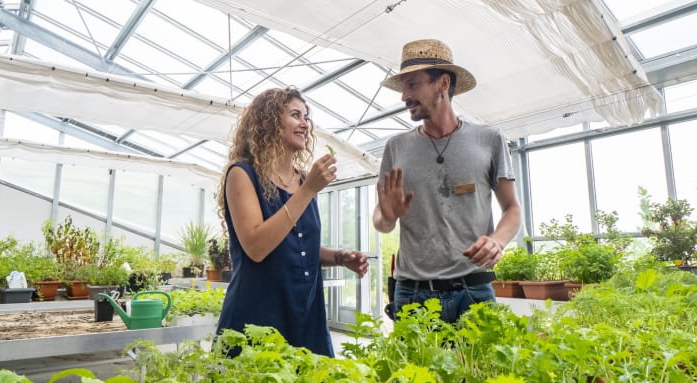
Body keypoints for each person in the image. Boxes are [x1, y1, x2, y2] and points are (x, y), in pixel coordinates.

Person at [373, 39, 522, 323]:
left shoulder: (489, 139)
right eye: (404, 86)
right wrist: (387, 217)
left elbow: (512, 208)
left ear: (442, 83)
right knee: (416, 369)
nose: (404, 96)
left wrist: (498, 241)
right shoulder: (396, 147)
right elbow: (380, 220)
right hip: (412, 293)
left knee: (480, 368)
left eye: (413, 84)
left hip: (474, 290)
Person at [215, 86, 368, 357]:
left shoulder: (302, 178)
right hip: (257, 314)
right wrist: (308, 190)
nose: (304, 124)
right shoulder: (242, 174)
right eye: (295, 115)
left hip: (305, 313)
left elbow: (296, 247)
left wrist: (340, 257)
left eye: (306, 117)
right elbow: (257, 246)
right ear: (269, 122)